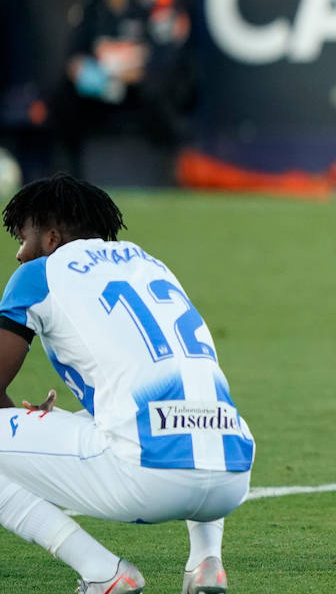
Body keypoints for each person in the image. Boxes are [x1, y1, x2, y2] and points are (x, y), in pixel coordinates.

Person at [0, 173, 254, 593]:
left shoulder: (40, 274)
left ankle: (103, 572)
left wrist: (17, 432)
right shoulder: (150, 263)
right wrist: (48, 427)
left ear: (50, 239)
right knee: (189, 401)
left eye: (22, 238)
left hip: (149, 480)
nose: (18, 254)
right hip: (233, 474)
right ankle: (207, 561)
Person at [46, 0, 193, 180]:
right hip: (103, 83)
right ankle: (67, 179)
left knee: (161, 91)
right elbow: (76, 50)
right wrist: (84, 72)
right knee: (62, 98)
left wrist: (131, 76)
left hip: (142, 81)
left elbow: (167, 56)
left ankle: (171, 172)